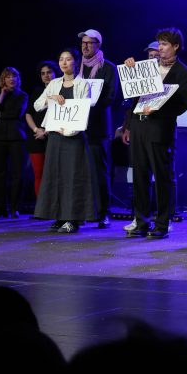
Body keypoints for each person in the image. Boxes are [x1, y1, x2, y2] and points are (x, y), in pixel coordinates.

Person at [122, 28, 187, 240]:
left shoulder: (183, 72)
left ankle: (162, 223)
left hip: (160, 128)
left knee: (162, 177)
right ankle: (141, 221)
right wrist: (131, 71)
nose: (159, 48)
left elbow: (181, 106)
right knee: (139, 177)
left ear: (175, 46)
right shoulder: (147, 68)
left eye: (164, 44)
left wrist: (158, 109)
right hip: (139, 126)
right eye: (158, 44)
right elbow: (133, 99)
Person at [33, 48, 97, 234]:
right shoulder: (53, 84)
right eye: (61, 59)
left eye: (68, 59)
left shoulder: (83, 84)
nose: (64, 63)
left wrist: (68, 130)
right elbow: (37, 106)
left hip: (73, 138)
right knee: (55, 176)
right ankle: (58, 217)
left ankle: (73, 219)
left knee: (73, 178)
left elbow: (84, 109)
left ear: (75, 62)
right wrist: (49, 98)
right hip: (55, 138)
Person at [77, 29, 120, 229]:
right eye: (83, 42)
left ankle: (103, 213)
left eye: (90, 42)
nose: (85, 46)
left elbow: (110, 97)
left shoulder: (108, 68)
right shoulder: (76, 67)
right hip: (76, 127)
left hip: (97, 127)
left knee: (99, 172)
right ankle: (81, 211)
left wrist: (87, 103)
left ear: (98, 45)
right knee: (79, 171)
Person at [0, 67, 29, 218]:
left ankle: (14, 208)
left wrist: (1, 114)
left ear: (18, 80)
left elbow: (16, 113)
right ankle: (0, 208)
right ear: (3, 79)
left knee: (18, 173)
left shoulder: (23, 95)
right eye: (8, 77)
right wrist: (1, 97)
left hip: (17, 137)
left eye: (14, 77)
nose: (11, 79)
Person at [25, 61, 57, 198]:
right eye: (43, 73)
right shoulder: (37, 91)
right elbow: (28, 113)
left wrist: (47, 131)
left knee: (54, 174)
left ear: (56, 73)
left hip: (54, 136)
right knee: (38, 173)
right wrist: (36, 130)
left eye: (49, 72)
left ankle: (54, 207)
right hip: (36, 137)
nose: (46, 76)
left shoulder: (61, 90)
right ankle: (41, 208)